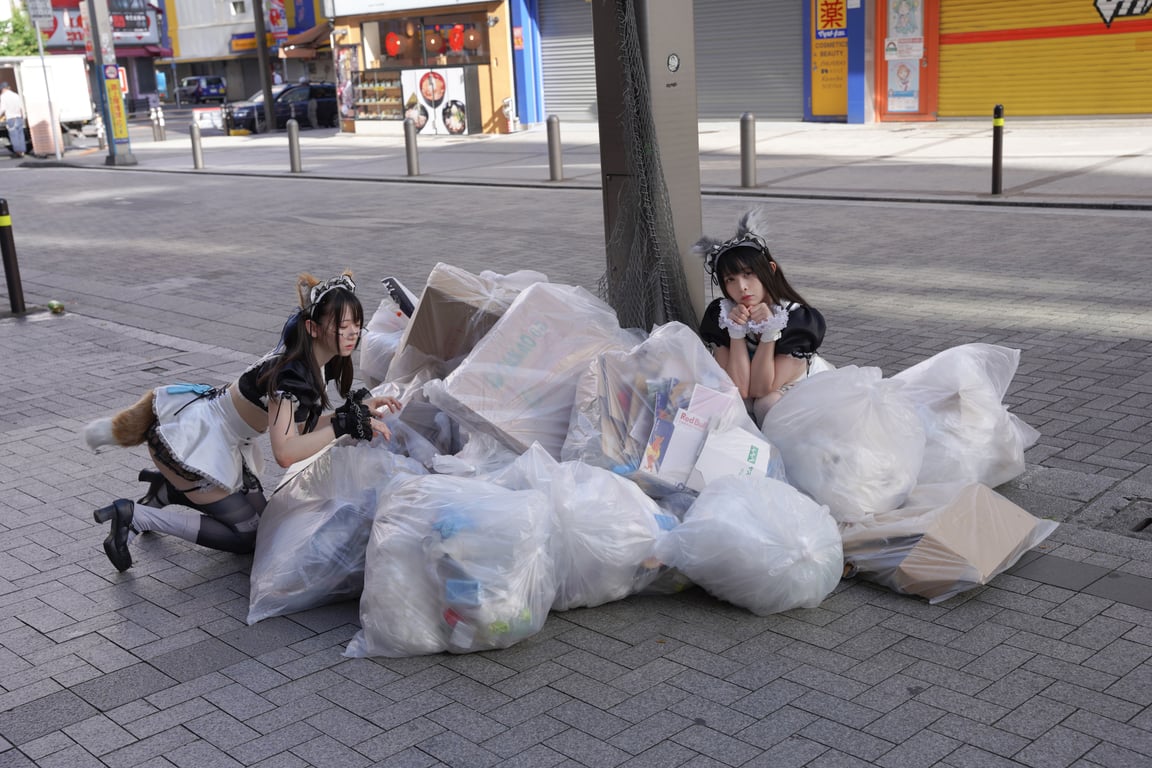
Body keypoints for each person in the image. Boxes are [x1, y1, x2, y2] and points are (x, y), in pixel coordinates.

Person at [82, 271, 402, 572]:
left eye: (356, 323)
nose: (352, 332)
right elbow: (285, 453)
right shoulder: (291, 375)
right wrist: (343, 424)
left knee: (265, 525)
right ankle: (135, 516)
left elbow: (300, 430)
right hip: (194, 442)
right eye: (342, 325)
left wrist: (352, 414)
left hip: (222, 442)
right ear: (313, 328)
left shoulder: (313, 362)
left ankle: (169, 491)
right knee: (247, 535)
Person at [697, 211, 827, 426]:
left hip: (802, 394)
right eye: (730, 279)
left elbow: (761, 388)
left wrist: (769, 331)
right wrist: (736, 332)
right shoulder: (722, 315)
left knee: (766, 404)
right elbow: (739, 387)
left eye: (748, 274)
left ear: (770, 269)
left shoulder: (797, 319)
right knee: (733, 402)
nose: (742, 287)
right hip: (751, 388)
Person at [0, 82, 26, 158]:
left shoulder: (3, 96)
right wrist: (22, 117)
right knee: (20, 135)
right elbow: (21, 107)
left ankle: (18, 152)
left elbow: (2, 108)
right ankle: (22, 151)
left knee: (14, 136)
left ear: (3, 89)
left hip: (11, 118)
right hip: (19, 117)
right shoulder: (16, 95)